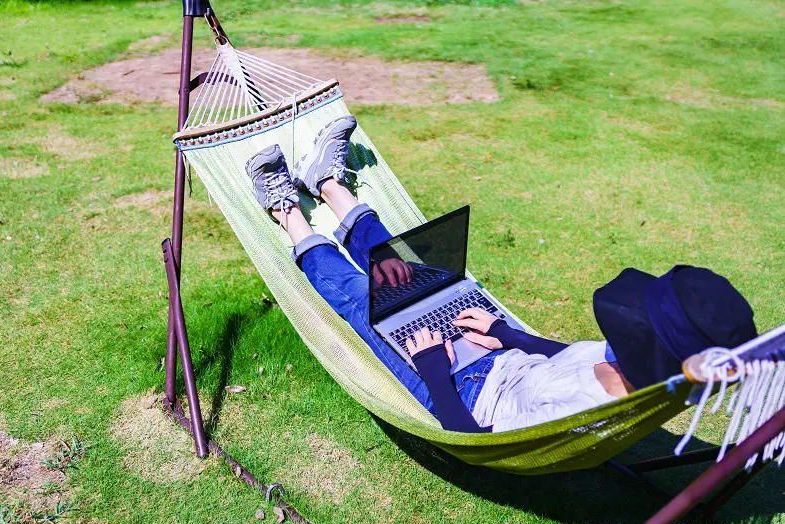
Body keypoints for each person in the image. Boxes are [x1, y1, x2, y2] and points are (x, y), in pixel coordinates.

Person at [245, 115, 759, 433]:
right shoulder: (641, 373)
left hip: (455, 383)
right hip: (496, 351)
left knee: (366, 299)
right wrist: (503, 332)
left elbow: (471, 434)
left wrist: (431, 366)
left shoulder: (584, 416)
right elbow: (564, 356)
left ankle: (286, 212)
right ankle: (331, 185)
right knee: (410, 272)